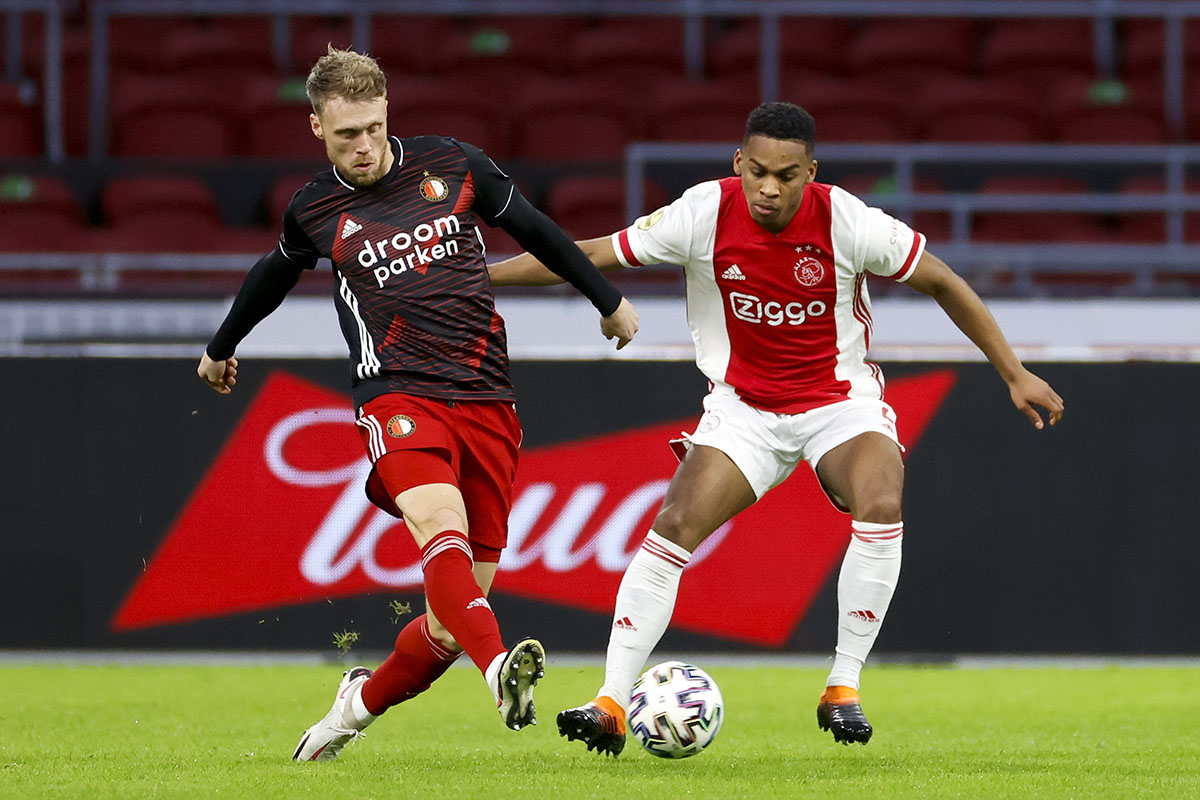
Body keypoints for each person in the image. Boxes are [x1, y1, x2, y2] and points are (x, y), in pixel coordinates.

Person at [488, 101, 1064, 756]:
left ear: (810, 173)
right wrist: (484, 277)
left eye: (786, 176)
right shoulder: (702, 213)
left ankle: (842, 686)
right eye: (757, 171)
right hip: (744, 412)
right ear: (739, 162)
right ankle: (612, 702)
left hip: (839, 405)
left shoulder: (848, 221)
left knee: (880, 501)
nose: (768, 188)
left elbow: (942, 280)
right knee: (674, 525)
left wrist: (1013, 372)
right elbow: (591, 253)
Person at [196, 47, 640, 762]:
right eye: (347, 134)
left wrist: (608, 299)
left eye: (373, 128)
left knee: (444, 628)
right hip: (396, 393)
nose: (364, 146)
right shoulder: (314, 209)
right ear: (317, 128)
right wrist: (221, 347)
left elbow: (537, 230)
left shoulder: (454, 163)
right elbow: (271, 276)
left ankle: (353, 708)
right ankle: (499, 671)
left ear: (387, 114)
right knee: (438, 523)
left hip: (487, 398)